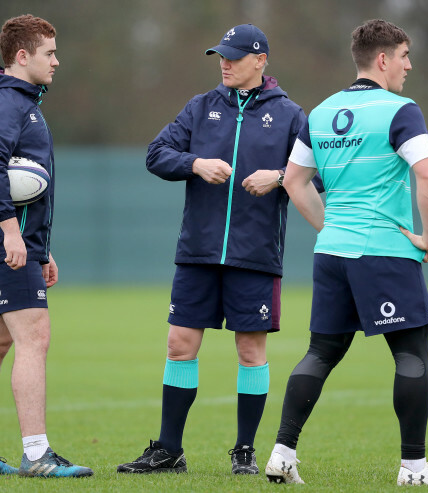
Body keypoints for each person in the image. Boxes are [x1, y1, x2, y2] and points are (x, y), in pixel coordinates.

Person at [264, 19, 428, 487]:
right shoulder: (401, 110)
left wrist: (331, 227)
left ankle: (281, 454)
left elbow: (293, 181)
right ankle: (414, 469)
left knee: (320, 352)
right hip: (385, 252)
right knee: (412, 352)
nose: (409, 65)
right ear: (382, 60)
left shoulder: (320, 112)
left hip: (331, 253)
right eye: (404, 56)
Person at [117, 24, 320, 476]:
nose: (224, 63)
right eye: (220, 56)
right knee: (179, 344)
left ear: (260, 60)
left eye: (232, 56)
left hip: (255, 256)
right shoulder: (200, 107)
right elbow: (156, 153)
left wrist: (281, 176)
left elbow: (319, 174)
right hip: (198, 253)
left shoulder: (290, 115)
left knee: (250, 351)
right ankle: (169, 449)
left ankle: (244, 451)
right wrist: (194, 162)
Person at [0, 14, 93, 478]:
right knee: (34, 338)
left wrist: (39, 246)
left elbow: (23, 184)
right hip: (5, 245)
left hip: (12, 244)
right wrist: (12, 233)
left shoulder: (21, 102)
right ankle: (37, 455)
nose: (57, 61)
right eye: (49, 53)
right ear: (22, 56)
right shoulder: (7, 104)